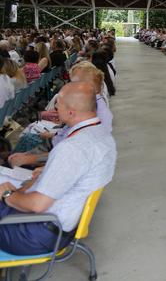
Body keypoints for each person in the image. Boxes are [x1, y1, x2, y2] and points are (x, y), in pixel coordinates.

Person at [0, 82, 116, 255]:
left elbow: (38, 205)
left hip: (36, 233)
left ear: (71, 112)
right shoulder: (101, 135)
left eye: (58, 103)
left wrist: (7, 194)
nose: (55, 107)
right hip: (58, 226)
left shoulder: (72, 148)